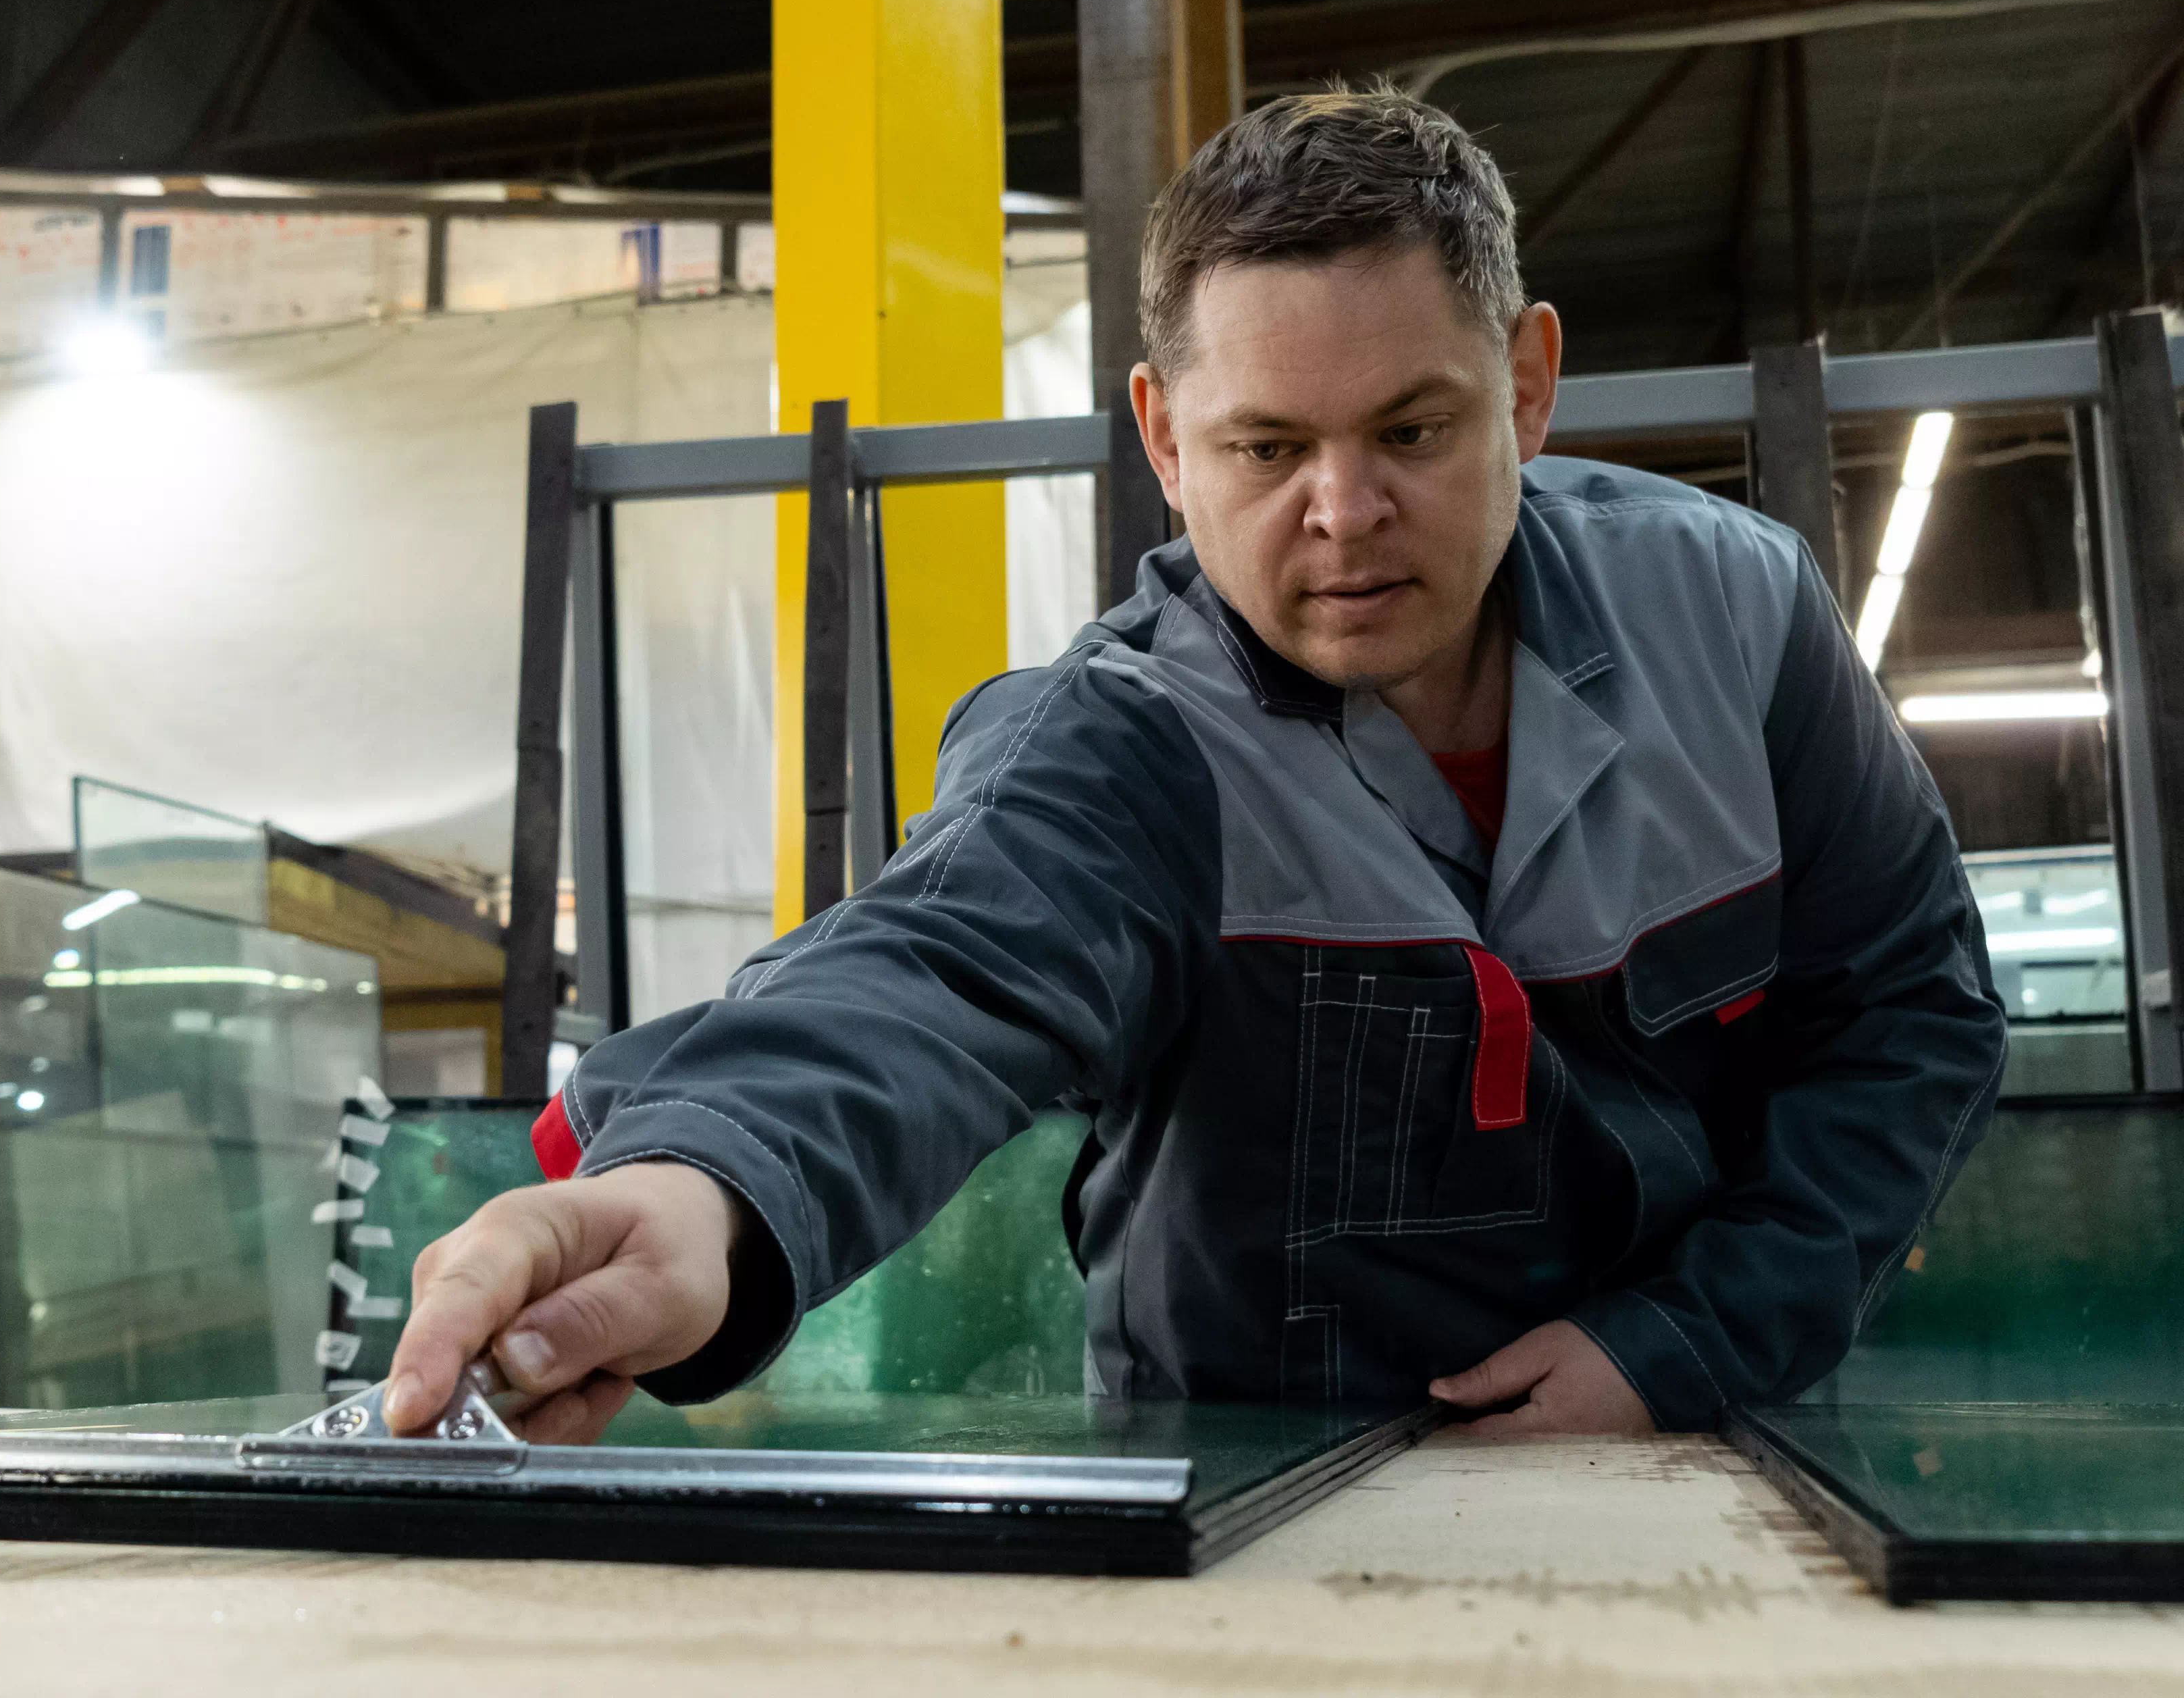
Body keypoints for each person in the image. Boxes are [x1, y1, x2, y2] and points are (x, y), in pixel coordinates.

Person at [383, 84, 2008, 1445]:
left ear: (1525, 386)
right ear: (1166, 439)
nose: (1345, 512)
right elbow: (927, 974)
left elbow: (1913, 1008)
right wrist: (701, 1188)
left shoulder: (1735, 621)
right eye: (1268, 447)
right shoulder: (1124, 743)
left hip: (1697, 1449)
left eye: (1414, 431)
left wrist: (1691, 1339)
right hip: (1247, 1511)